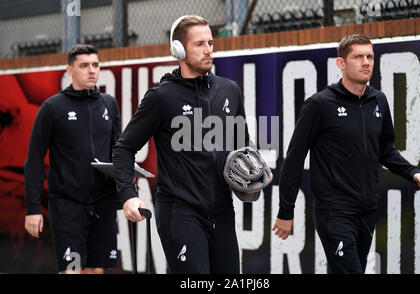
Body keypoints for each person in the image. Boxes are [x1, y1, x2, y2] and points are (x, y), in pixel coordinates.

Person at [272, 34, 420, 274]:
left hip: (367, 211)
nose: (366, 62)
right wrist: (286, 212)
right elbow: (294, 160)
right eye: (358, 57)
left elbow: (385, 151)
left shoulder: (378, 101)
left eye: (370, 57)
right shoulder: (319, 104)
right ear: (341, 63)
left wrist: (413, 173)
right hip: (334, 213)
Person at [112, 15, 260, 274]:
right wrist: (128, 196)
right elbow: (124, 148)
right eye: (199, 44)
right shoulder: (161, 97)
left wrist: (252, 173)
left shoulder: (230, 90)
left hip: (223, 212)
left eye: (211, 43)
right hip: (180, 213)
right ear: (178, 50)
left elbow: (241, 144)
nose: (208, 50)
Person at [24, 44, 121, 274]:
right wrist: (32, 208)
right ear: (69, 70)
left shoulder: (109, 104)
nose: (92, 71)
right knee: (72, 270)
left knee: (96, 271)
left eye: (96, 65)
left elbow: (119, 153)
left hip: (103, 204)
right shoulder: (52, 107)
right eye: (84, 65)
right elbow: (35, 159)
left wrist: (127, 195)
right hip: (68, 205)